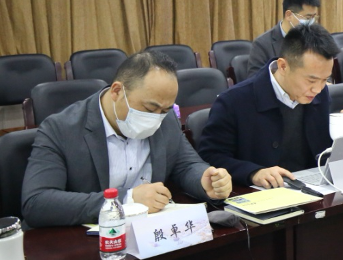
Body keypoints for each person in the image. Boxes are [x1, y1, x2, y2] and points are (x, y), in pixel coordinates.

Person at [21, 51, 232, 228]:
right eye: (149, 108)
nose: (156, 118)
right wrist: (127, 199)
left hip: (151, 234)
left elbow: (186, 165)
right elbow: (37, 203)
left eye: (165, 110)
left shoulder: (165, 119)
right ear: (116, 91)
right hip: (88, 239)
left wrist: (204, 181)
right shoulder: (60, 128)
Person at [198, 24, 343, 188]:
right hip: (262, 194)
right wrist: (253, 172)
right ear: (283, 66)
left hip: (311, 187)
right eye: (311, 80)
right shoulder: (234, 101)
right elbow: (210, 156)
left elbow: (324, 149)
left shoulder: (319, 93)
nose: (318, 89)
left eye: (325, 80)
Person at [247, 0, 321, 77]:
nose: (312, 22)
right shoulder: (262, 45)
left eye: (314, 17)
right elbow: (255, 81)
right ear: (289, 15)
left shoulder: (315, 39)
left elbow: (324, 71)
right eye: (308, 17)